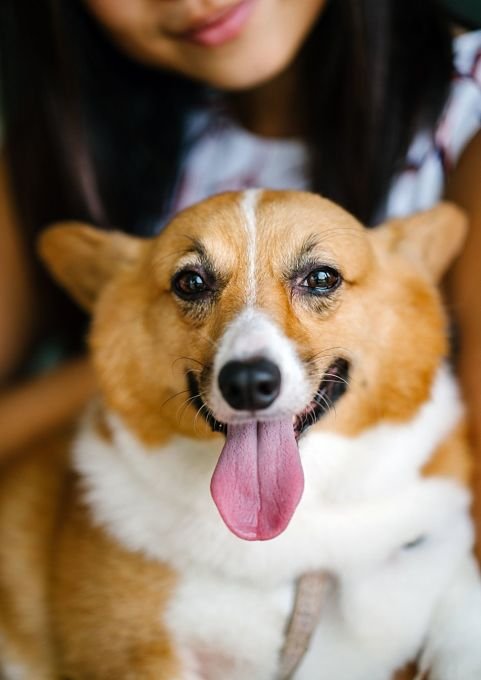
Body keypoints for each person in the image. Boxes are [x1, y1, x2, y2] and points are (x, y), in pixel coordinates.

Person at [0, 0, 479, 485]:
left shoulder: (468, 114)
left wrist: (146, 338)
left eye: (319, 279)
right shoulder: (66, 148)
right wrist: (132, 342)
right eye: (190, 283)